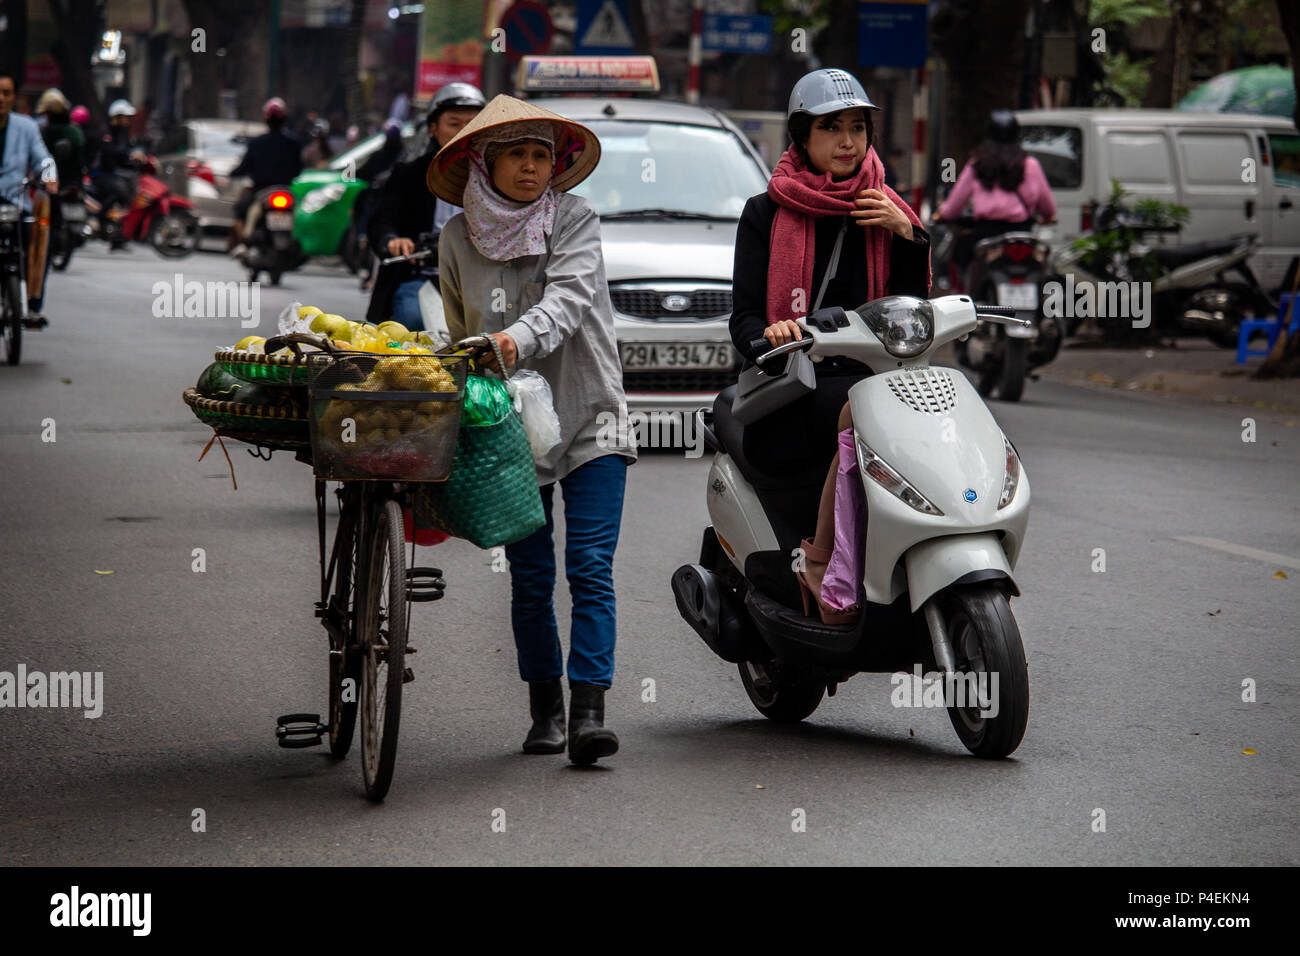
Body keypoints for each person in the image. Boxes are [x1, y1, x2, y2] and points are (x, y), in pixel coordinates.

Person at [428, 94, 637, 765]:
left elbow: (570, 299)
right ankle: (545, 708)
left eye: (540, 154)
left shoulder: (576, 219)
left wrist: (513, 341)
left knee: (590, 567)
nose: (528, 167)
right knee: (529, 576)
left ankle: (589, 715)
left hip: (590, 416)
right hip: (510, 429)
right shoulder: (457, 237)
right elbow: (461, 334)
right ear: (483, 162)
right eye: (514, 153)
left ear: (557, 164)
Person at [730, 68, 930, 625]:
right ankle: (820, 561)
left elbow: (910, 316)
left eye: (858, 128)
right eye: (831, 128)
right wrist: (769, 336)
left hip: (874, 376)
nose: (848, 142)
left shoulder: (885, 207)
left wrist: (909, 237)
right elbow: (744, 316)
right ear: (802, 136)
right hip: (790, 387)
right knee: (859, 410)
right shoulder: (766, 212)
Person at [365, 82, 485, 328]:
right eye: (454, 124)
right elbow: (382, 220)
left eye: (472, 124)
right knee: (412, 318)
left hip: (483, 282)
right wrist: (392, 240)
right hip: (422, 277)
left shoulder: (496, 177)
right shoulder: (409, 174)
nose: (464, 132)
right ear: (433, 128)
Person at [935, 109, 1056, 270]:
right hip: (1022, 236)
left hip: (985, 236)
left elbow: (954, 205)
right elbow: (1048, 209)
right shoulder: (1031, 165)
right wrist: (1047, 217)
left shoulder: (977, 164)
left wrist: (941, 214)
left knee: (961, 262)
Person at [0, 71, 58, 323]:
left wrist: (49, 176)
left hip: (15, 202)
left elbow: (43, 158)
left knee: (39, 240)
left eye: (6, 93)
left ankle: (33, 302)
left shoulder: (26, 127)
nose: (0, 98)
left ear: (14, 98)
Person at [228, 97, 303, 254]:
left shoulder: (257, 143)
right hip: (287, 190)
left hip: (261, 192)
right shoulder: (294, 143)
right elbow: (299, 170)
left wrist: (233, 173)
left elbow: (244, 167)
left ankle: (244, 242)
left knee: (240, 209)